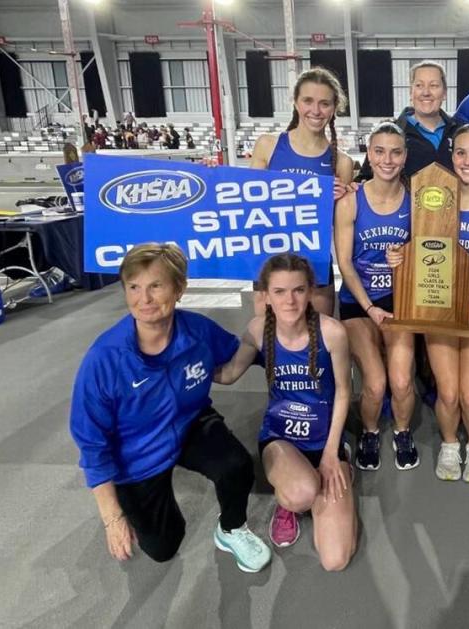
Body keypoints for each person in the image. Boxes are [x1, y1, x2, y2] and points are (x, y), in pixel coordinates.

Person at [69, 244, 271, 572]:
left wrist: (298, 360)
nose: (143, 299)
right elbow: (92, 445)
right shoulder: (103, 360)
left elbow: (241, 353)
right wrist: (112, 517)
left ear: (179, 290)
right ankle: (139, 500)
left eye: (156, 286)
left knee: (236, 465)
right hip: (135, 454)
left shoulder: (198, 331)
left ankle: (231, 529)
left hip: (190, 422)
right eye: (134, 287)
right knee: (164, 546)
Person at [215, 253, 357, 571]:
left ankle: (338, 468)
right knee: (301, 493)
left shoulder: (332, 332)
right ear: (265, 296)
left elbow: (344, 393)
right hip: (280, 438)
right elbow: (227, 374)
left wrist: (332, 454)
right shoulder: (257, 330)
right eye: (279, 291)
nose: (290, 300)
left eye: (298, 290)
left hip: (325, 440)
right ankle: (287, 500)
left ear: (310, 292)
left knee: (335, 559)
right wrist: (185, 361)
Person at [388, 124, 469, 482]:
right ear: (452, 155)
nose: (468, 161)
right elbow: (418, 248)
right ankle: (450, 444)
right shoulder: (433, 194)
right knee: (449, 392)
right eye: (461, 153)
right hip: (438, 308)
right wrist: (399, 256)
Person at [334, 122, 417, 472]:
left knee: (400, 381)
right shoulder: (350, 202)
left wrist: (408, 254)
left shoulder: (416, 201)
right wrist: (369, 307)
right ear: (369, 155)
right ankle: (369, 432)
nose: (388, 159)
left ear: (405, 156)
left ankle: (401, 431)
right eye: (380, 151)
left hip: (401, 303)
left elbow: (433, 253)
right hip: (359, 303)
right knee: (376, 382)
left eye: (395, 151)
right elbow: (346, 264)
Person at [250, 67, 355, 316]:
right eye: (308, 101)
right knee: (270, 340)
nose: (316, 111)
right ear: (296, 102)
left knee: (320, 340)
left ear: (334, 107)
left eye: (324, 103)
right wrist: (212, 175)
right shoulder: (268, 146)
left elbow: (337, 224)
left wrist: (343, 198)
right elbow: (246, 203)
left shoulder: (342, 162)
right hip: (269, 260)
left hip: (315, 262)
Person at [357, 60, 458, 181]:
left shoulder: (459, 132)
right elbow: (365, 179)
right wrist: (356, 186)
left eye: (434, 85)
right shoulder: (389, 133)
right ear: (411, 92)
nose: (426, 92)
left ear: (444, 93)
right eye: (419, 85)